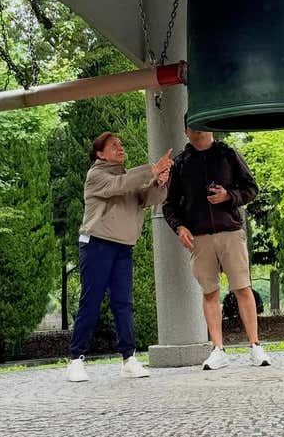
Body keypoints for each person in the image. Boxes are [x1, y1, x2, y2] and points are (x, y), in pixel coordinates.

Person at [163, 114, 271, 370]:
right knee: (209, 292)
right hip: (199, 238)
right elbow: (169, 205)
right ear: (186, 132)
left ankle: (255, 346)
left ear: (210, 127)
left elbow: (251, 188)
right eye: (191, 126)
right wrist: (179, 227)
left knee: (242, 287)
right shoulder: (180, 164)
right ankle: (218, 349)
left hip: (230, 232)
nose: (197, 130)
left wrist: (228, 196)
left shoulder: (228, 154)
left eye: (202, 124)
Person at [67, 132, 172, 382]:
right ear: (100, 154)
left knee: (123, 303)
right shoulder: (97, 175)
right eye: (114, 146)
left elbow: (147, 199)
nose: (120, 148)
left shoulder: (127, 177)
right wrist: (151, 169)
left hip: (123, 246)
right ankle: (76, 360)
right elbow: (118, 186)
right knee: (91, 301)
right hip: (97, 245)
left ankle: (128, 357)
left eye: (121, 145)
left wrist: (159, 182)